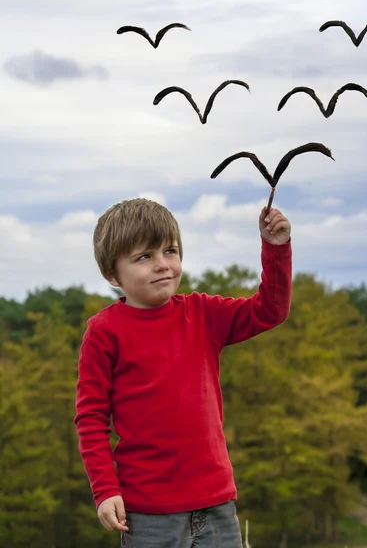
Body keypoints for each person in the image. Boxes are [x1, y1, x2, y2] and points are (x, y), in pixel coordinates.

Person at [74, 197, 292, 547]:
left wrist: (276, 248)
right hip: (146, 513)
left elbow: (270, 310)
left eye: (170, 251)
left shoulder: (203, 313)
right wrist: (105, 490)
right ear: (112, 274)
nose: (162, 264)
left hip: (216, 502)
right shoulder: (103, 332)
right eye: (144, 256)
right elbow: (91, 417)